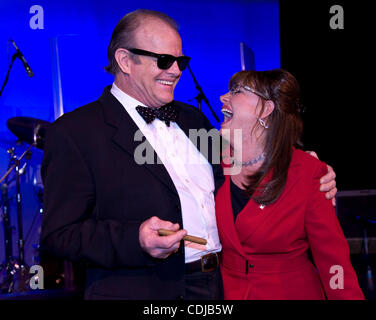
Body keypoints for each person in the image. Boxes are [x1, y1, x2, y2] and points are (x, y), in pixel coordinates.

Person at [40, 9, 336, 300]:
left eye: (180, 60)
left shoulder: (192, 119)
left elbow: (240, 171)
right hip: (142, 290)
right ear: (125, 60)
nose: (176, 71)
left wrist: (297, 167)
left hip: (220, 286)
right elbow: (59, 235)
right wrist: (136, 239)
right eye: (165, 60)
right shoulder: (75, 133)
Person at [215, 69, 364, 300]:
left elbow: (333, 260)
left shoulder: (308, 172)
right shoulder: (210, 162)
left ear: (265, 109)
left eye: (236, 91)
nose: (223, 97)